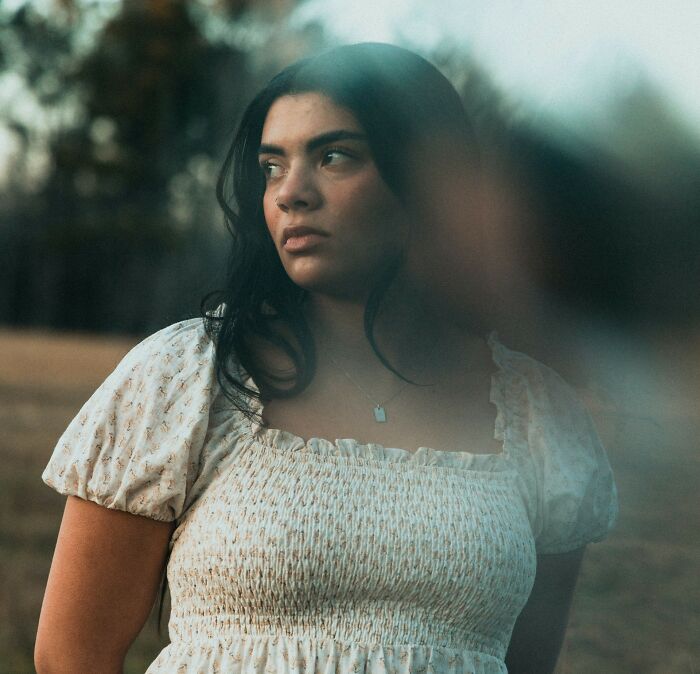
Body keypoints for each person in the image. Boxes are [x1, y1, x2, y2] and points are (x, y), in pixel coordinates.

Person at [35, 43, 618, 674]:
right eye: (271, 166)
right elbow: (73, 655)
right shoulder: (186, 377)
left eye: (334, 156)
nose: (291, 194)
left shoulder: (539, 416)